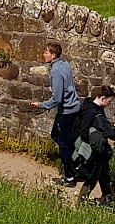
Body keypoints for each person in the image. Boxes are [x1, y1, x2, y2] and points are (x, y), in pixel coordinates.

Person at [29, 41, 82, 185]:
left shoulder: (56, 72)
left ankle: (70, 176)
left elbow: (57, 99)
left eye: (46, 52)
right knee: (57, 135)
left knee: (63, 143)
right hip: (72, 107)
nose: (43, 54)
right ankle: (73, 163)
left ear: (53, 55)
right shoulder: (64, 63)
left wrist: (41, 105)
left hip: (67, 110)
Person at [73, 85, 115, 203]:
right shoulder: (92, 112)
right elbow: (84, 132)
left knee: (104, 175)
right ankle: (81, 202)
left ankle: (108, 200)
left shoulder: (93, 108)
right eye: (109, 101)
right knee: (93, 177)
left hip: (100, 150)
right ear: (103, 98)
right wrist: (95, 143)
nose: (109, 104)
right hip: (95, 150)